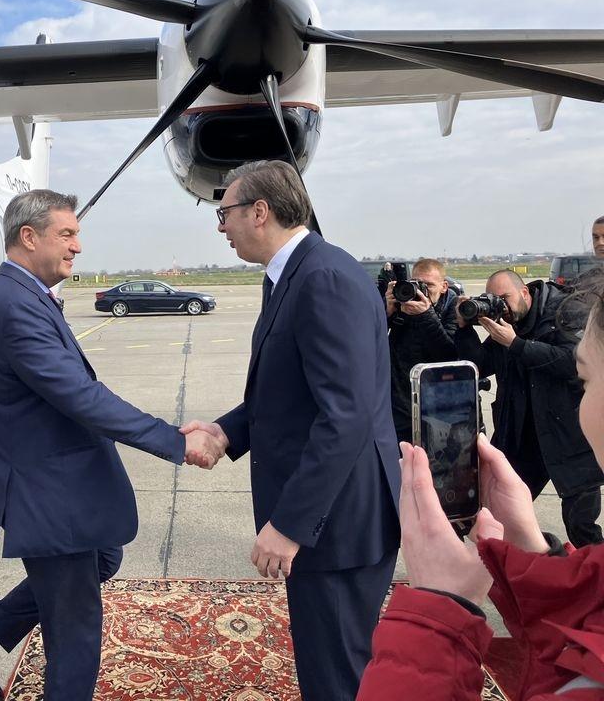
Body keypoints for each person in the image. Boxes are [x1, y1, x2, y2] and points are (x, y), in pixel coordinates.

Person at [0, 190, 222, 701]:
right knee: (75, 633)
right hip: (48, 490)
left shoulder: (15, 292)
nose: (78, 247)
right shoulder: (14, 303)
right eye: (67, 234)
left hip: (50, 481)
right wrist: (173, 441)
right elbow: (78, 394)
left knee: (104, 557)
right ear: (29, 237)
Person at [182, 161, 401, 701]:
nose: (220, 226)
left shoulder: (322, 278)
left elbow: (344, 416)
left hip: (339, 522)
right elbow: (287, 397)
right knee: (330, 663)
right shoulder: (291, 275)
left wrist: (291, 526)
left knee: (336, 677)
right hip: (334, 515)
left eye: (224, 212)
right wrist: (226, 432)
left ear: (260, 212)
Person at [358, 272, 604, 699]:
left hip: (559, 443)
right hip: (520, 438)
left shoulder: (560, 320)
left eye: (587, 381)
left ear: (526, 292)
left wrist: (437, 608)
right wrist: (534, 550)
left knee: (581, 520)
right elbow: (577, 640)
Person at [454, 269, 604, 546]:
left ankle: (595, 582)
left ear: (524, 293)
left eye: (504, 297)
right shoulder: (509, 322)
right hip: (523, 438)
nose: (500, 305)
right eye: (493, 299)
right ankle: (517, 576)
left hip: (567, 438)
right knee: (500, 516)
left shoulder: (563, 312)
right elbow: (480, 365)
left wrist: (516, 344)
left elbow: (573, 363)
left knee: (581, 526)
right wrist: (464, 330)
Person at [385, 257, 459, 442]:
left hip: (439, 408)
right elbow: (370, 341)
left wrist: (426, 315)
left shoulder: (453, 307)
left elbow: (448, 353)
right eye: (417, 284)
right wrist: (385, 312)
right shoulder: (400, 303)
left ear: (444, 287)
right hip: (399, 404)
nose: (420, 291)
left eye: (428, 286)